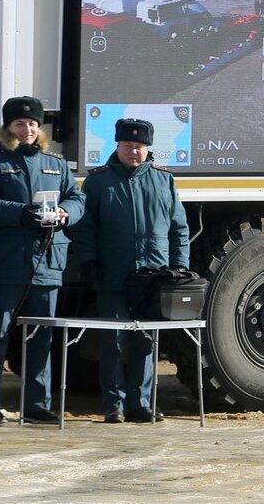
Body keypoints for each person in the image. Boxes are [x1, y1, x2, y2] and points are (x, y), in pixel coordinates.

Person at [0, 96, 84, 425]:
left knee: (41, 336)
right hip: (7, 263)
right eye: (21, 124)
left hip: (47, 263)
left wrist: (66, 213)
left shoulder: (55, 164)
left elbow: (77, 197)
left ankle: (37, 404)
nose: (28, 129)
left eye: (33, 124)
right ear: (9, 127)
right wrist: (20, 213)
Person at [72, 118, 189, 423]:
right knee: (113, 342)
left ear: (148, 148)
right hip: (113, 275)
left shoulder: (164, 181)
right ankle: (114, 404)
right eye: (128, 146)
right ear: (117, 146)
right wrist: (89, 261)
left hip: (153, 277)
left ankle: (142, 404)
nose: (133, 152)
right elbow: (86, 229)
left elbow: (179, 229)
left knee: (147, 342)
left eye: (139, 147)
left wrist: (179, 266)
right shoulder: (98, 182)